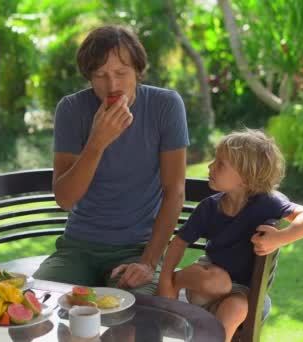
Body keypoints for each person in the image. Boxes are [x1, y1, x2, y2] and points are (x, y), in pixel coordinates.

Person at [32, 25, 189, 295]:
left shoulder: (165, 106)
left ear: (138, 71)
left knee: (134, 321)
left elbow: (174, 192)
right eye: (101, 75)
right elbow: (65, 200)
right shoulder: (71, 110)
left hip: (137, 249)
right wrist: (97, 141)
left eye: (121, 73)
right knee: (40, 302)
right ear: (89, 77)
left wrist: (148, 262)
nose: (112, 85)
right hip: (77, 249)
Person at [157, 129, 303, 342]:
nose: (210, 167)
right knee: (220, 282)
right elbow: (179, 242)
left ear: (246, 178)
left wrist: (280, 238)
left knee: (235, 307)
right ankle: (177, 279)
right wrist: (166, 282)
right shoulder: (209, 207)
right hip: (205, 283)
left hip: (243, 294)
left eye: (220, 164)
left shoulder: (268, 203)